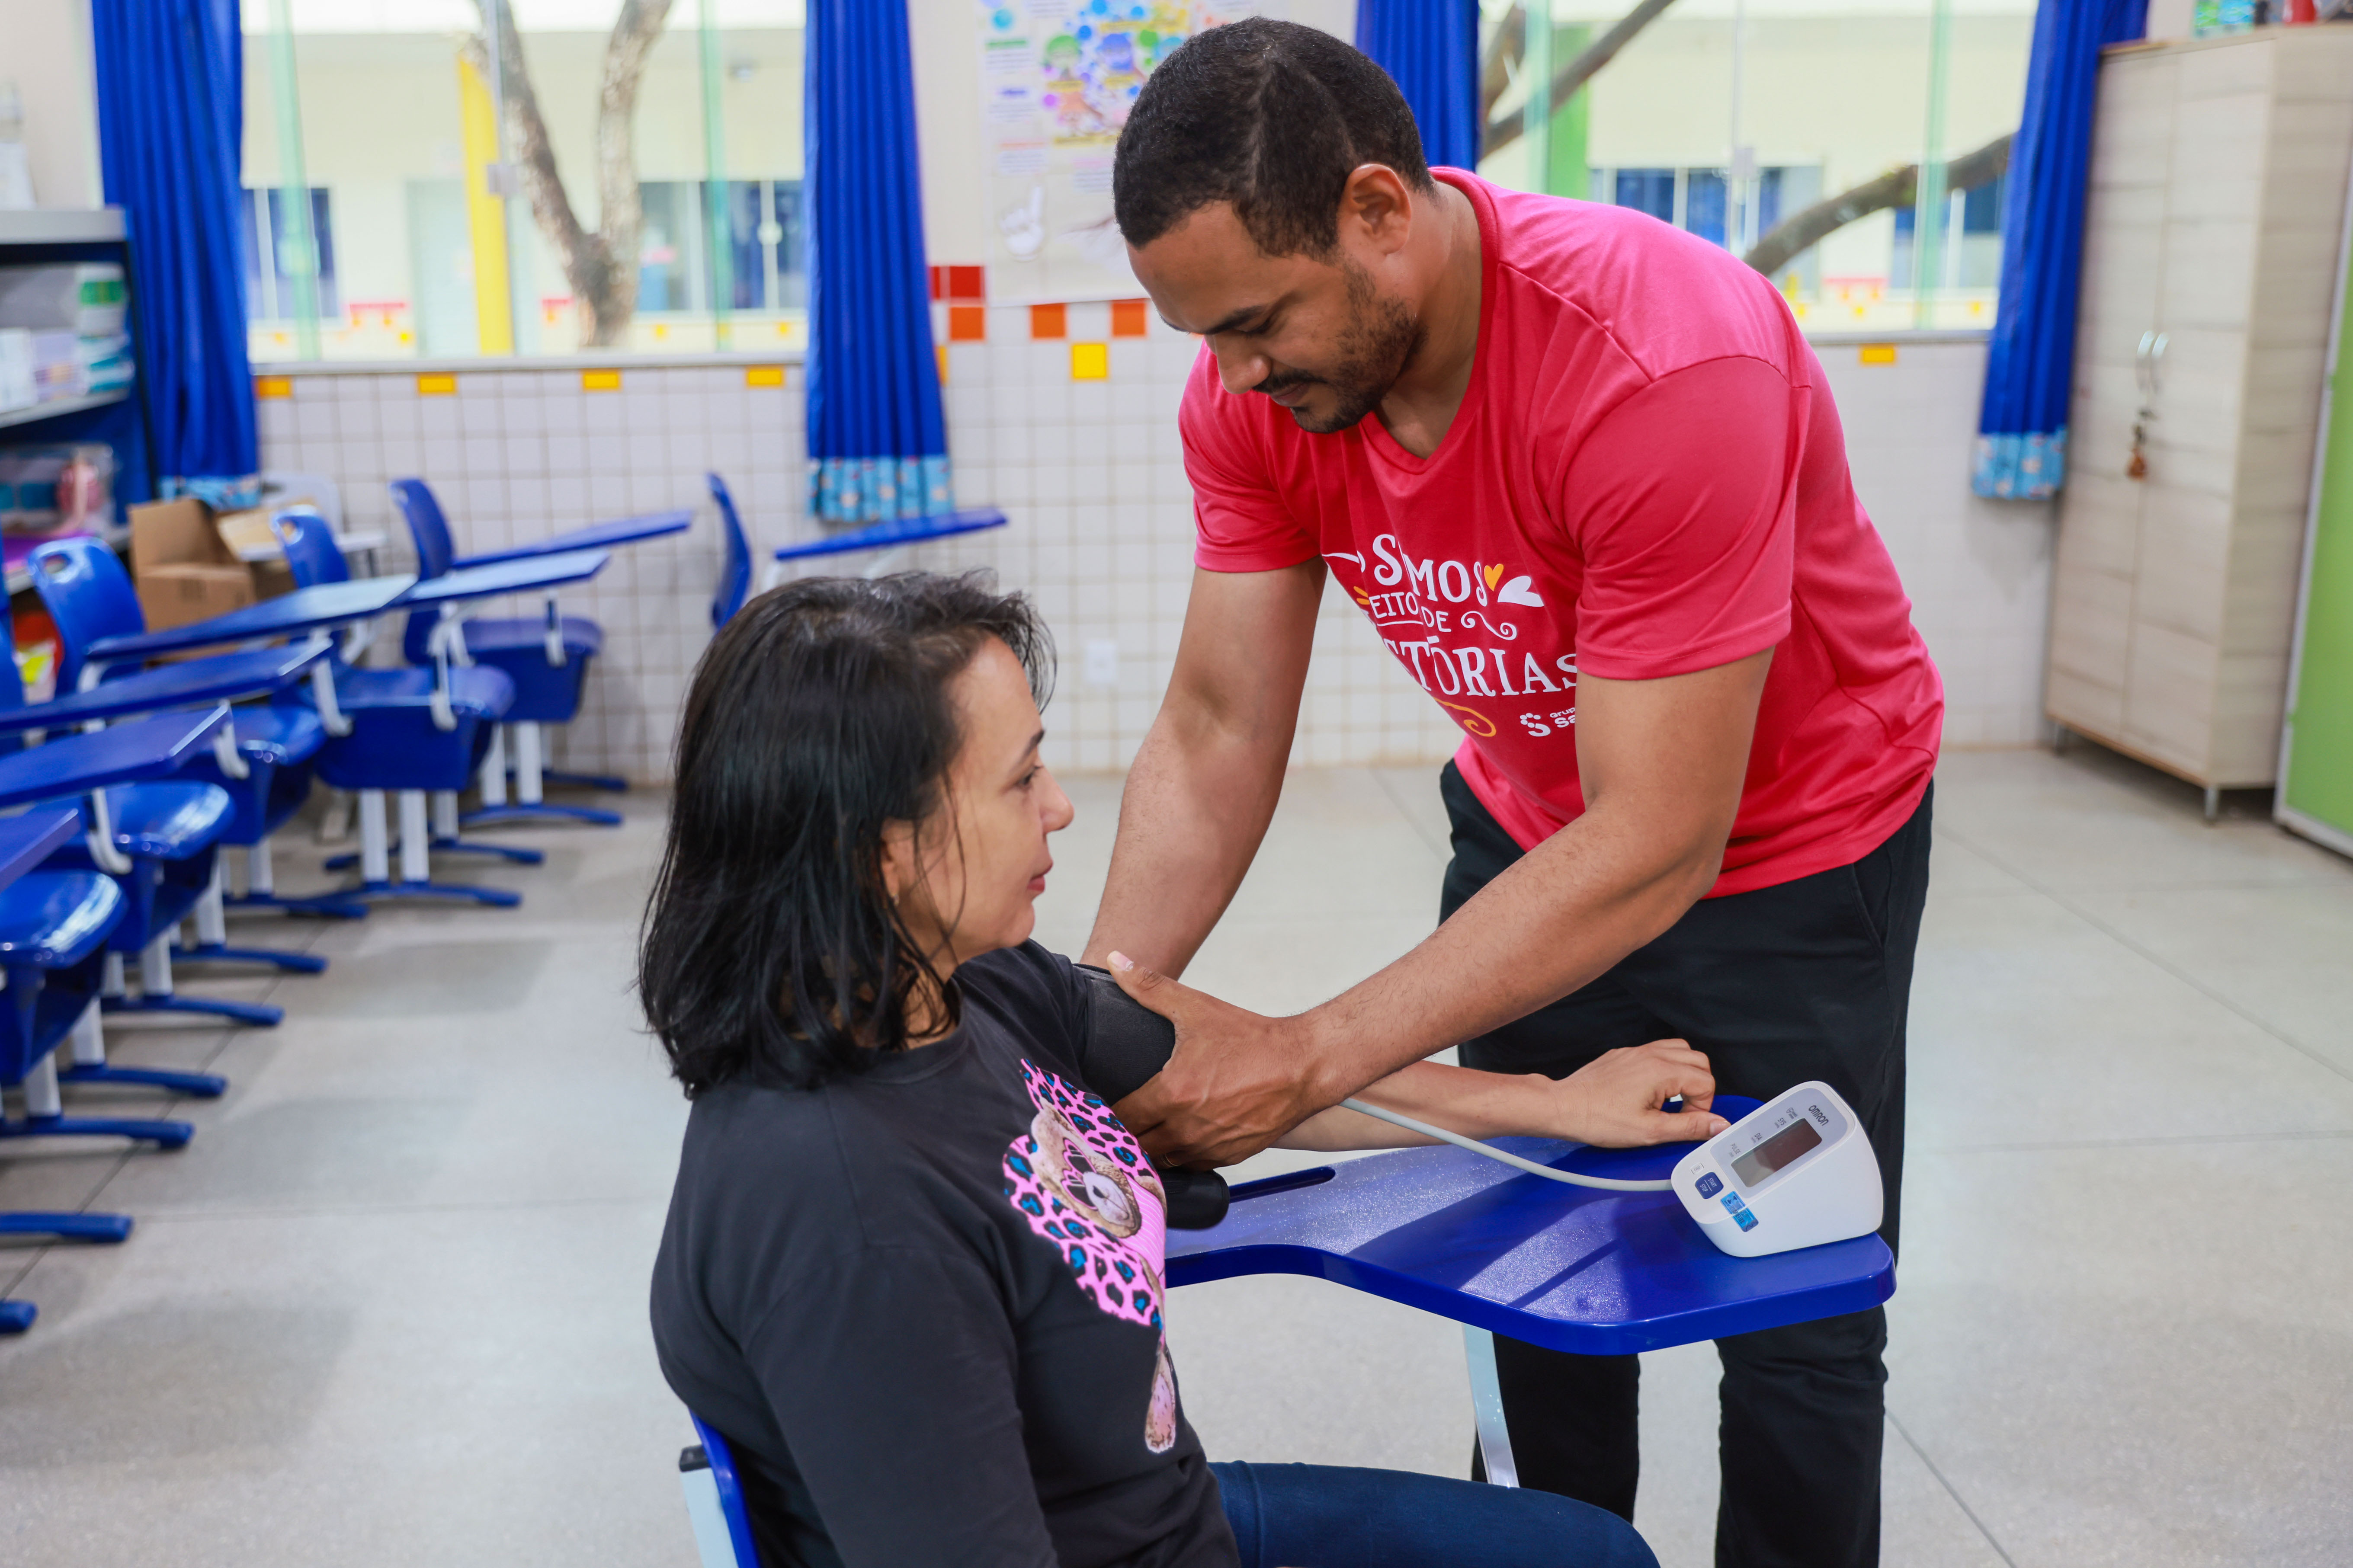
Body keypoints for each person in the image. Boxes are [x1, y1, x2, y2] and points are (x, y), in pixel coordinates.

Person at [1085, 21, 1941, 1568]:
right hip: (1537, 825)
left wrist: (1304, 1056)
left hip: (1795, 849)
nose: (1237, 373)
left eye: (1258, 321)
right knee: (1533, 1254)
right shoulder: (1256, 402)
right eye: (1206, 337)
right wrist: (1096, 1014)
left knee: (1798, 1304)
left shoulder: (1661, 360)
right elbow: (1217, 724)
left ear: (1377, 210)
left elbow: (1659, 833)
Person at [641, 573, 1711, 1568]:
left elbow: (1261, 1075)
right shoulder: (852, 1221)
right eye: (1020, 780)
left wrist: (1551, 1105)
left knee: (1591, 1554)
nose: (1060, 807)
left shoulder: (973, 989)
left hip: (1162, 1511)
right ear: (884, 852)